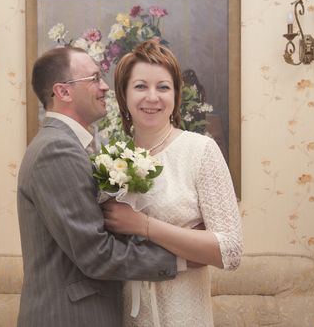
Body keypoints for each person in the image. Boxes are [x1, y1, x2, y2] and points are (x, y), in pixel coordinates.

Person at [16, 46, 182, 327]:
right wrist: (180, 258)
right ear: (64, 92)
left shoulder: (68, 145)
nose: (105, 86)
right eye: (94, 79)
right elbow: (97, 255)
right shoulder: (57, 149)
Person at [103, 40, 243, 327]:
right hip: (123, 313)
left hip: (184, 314)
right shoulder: (112, 161)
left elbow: (229, 250)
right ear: (124, 96)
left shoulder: (200, 151)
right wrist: (188, 245)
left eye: (163, 87)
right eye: (140, 86)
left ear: (176, 96)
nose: (152, 97)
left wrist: (143, 226)